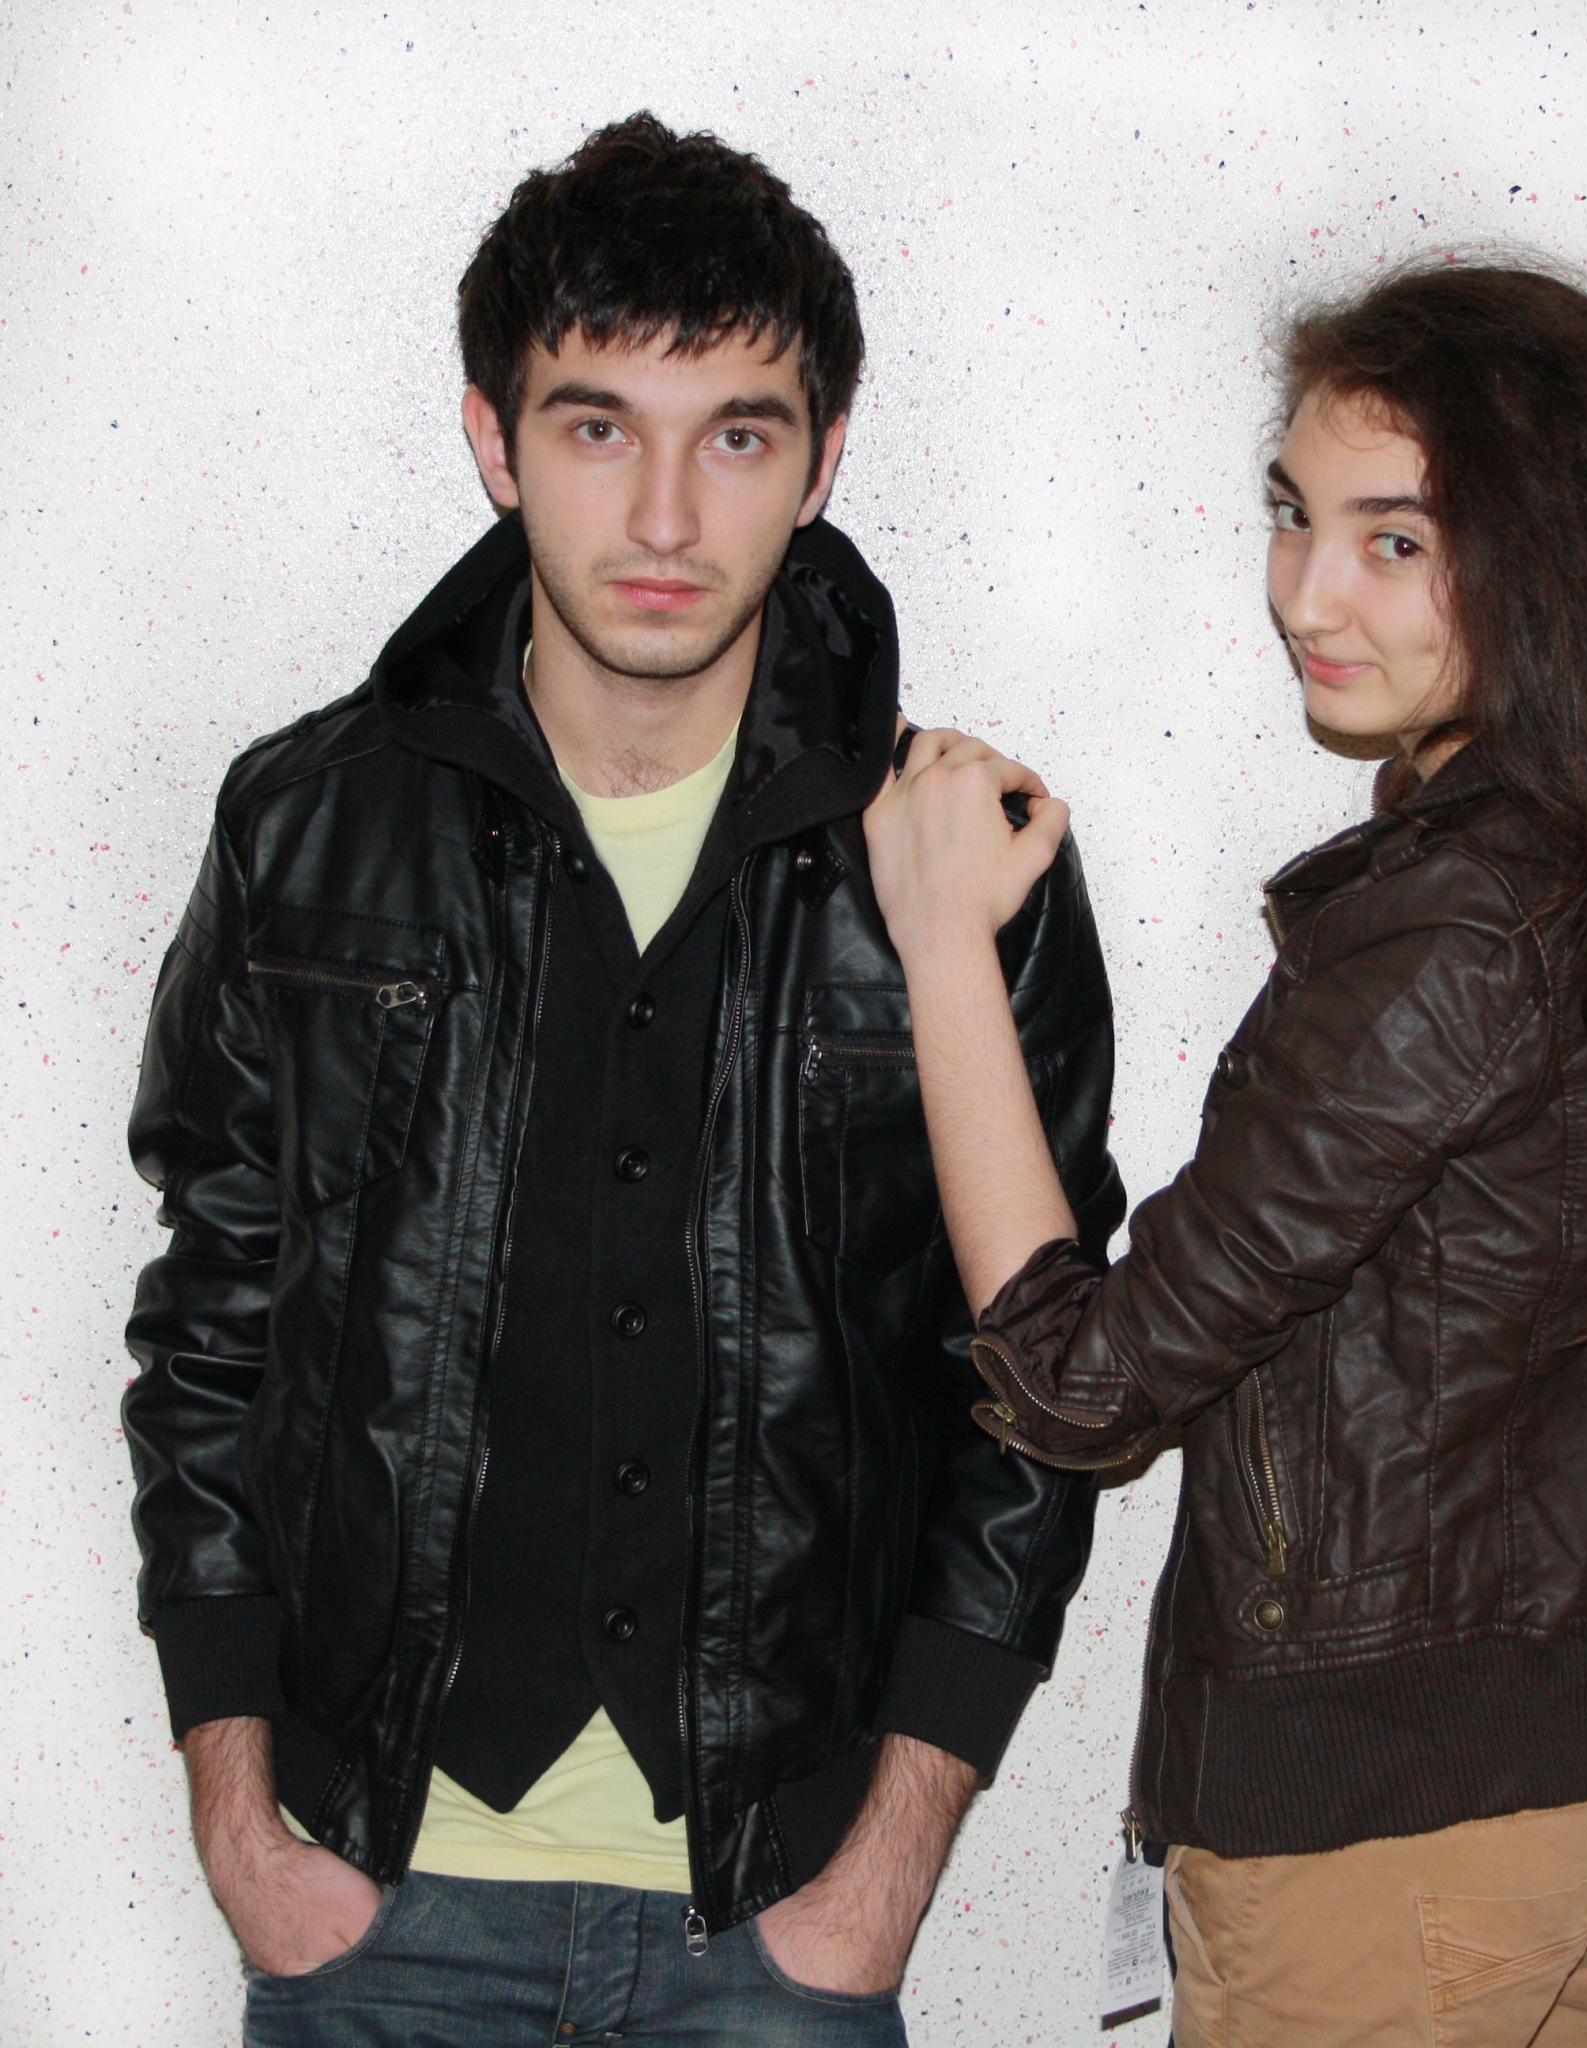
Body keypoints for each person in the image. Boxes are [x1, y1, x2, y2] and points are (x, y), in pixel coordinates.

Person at [122, 114, 1122, 2046]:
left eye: (736, 435)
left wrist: (885, 1870)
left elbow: (1031, 1394)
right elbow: (214, 1322)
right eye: (598, 428)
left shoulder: (960, 865)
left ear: (824, 460)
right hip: (369, 1895)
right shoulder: (308, 829)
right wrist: (241, 1815)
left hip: (782, 1915)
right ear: (494, 441)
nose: (665, 518)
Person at [862, 262, 1587, 2047]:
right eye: (1294, 515)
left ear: (1555, 559)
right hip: (1582, 1821)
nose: (1307, 595)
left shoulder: (1457, 927)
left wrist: (943, 943)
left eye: (1394, 540)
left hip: (1380, 1868)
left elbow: (1084, 1384)